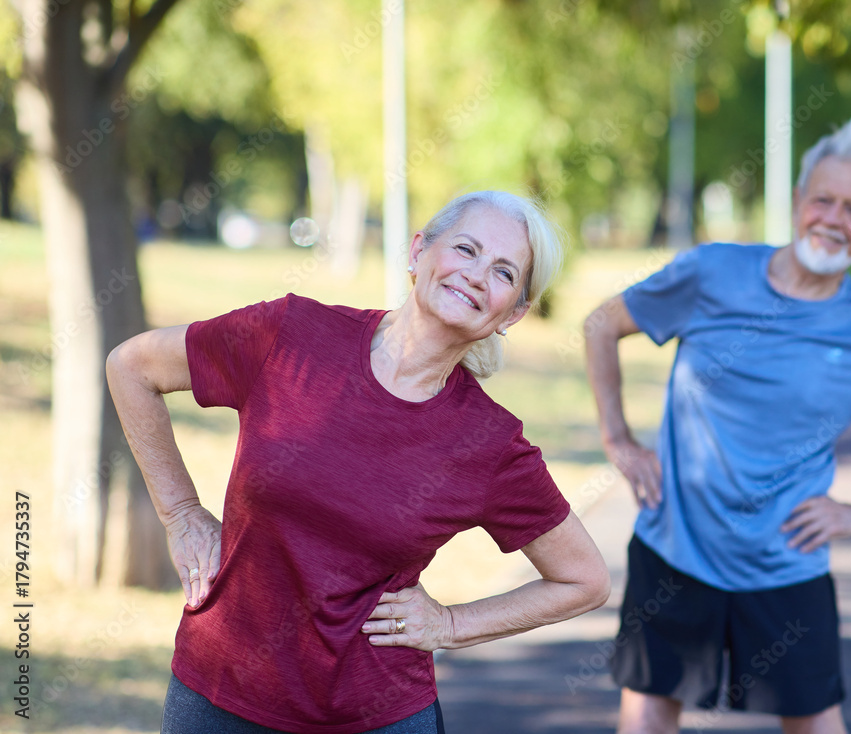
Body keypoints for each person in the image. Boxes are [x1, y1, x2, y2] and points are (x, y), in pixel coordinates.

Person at [107, 190, 611, 734]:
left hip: (374, 716)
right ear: (419, 252)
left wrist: (449, 625)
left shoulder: (489, 444)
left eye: (503, 272)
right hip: (217, 696)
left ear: (512, 313)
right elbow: (132, 368)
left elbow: (583, 579)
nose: (476, 275)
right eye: (466, 248)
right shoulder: (291, 335)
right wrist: (180, 513)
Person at [584, 116, 851, 734]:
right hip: (673, 550)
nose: (834, 219)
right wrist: (617, 440)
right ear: (796, 202)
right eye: (823, 199)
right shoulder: (711, 274)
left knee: (816, 724)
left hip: (786, 565)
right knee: (649, 716)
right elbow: (601, 324)